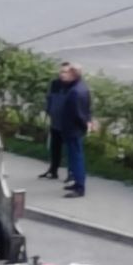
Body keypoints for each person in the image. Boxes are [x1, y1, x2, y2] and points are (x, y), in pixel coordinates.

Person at [57, 63, 93, 198]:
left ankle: (80, 187)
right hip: (74, 129)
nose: (63, 75)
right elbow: (87, 109)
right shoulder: (82, 87)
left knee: (76, 157)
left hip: (73, 129)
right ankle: (77, 183)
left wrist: (84, 125)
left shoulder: (75, 92)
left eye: (67, 73)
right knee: (74, 157)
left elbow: (78, 114)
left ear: (73, 75)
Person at [39, 63, 73, 181]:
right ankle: (53, 170)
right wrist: (48, 110)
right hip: (55, 120)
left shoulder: (73, 85)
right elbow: (50, 98)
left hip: (68, 123)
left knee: (69, 148)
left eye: (65, 72)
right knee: (55, 147)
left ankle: (71, 173)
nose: (62, 74)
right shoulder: (55, 84)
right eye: (61, 72)